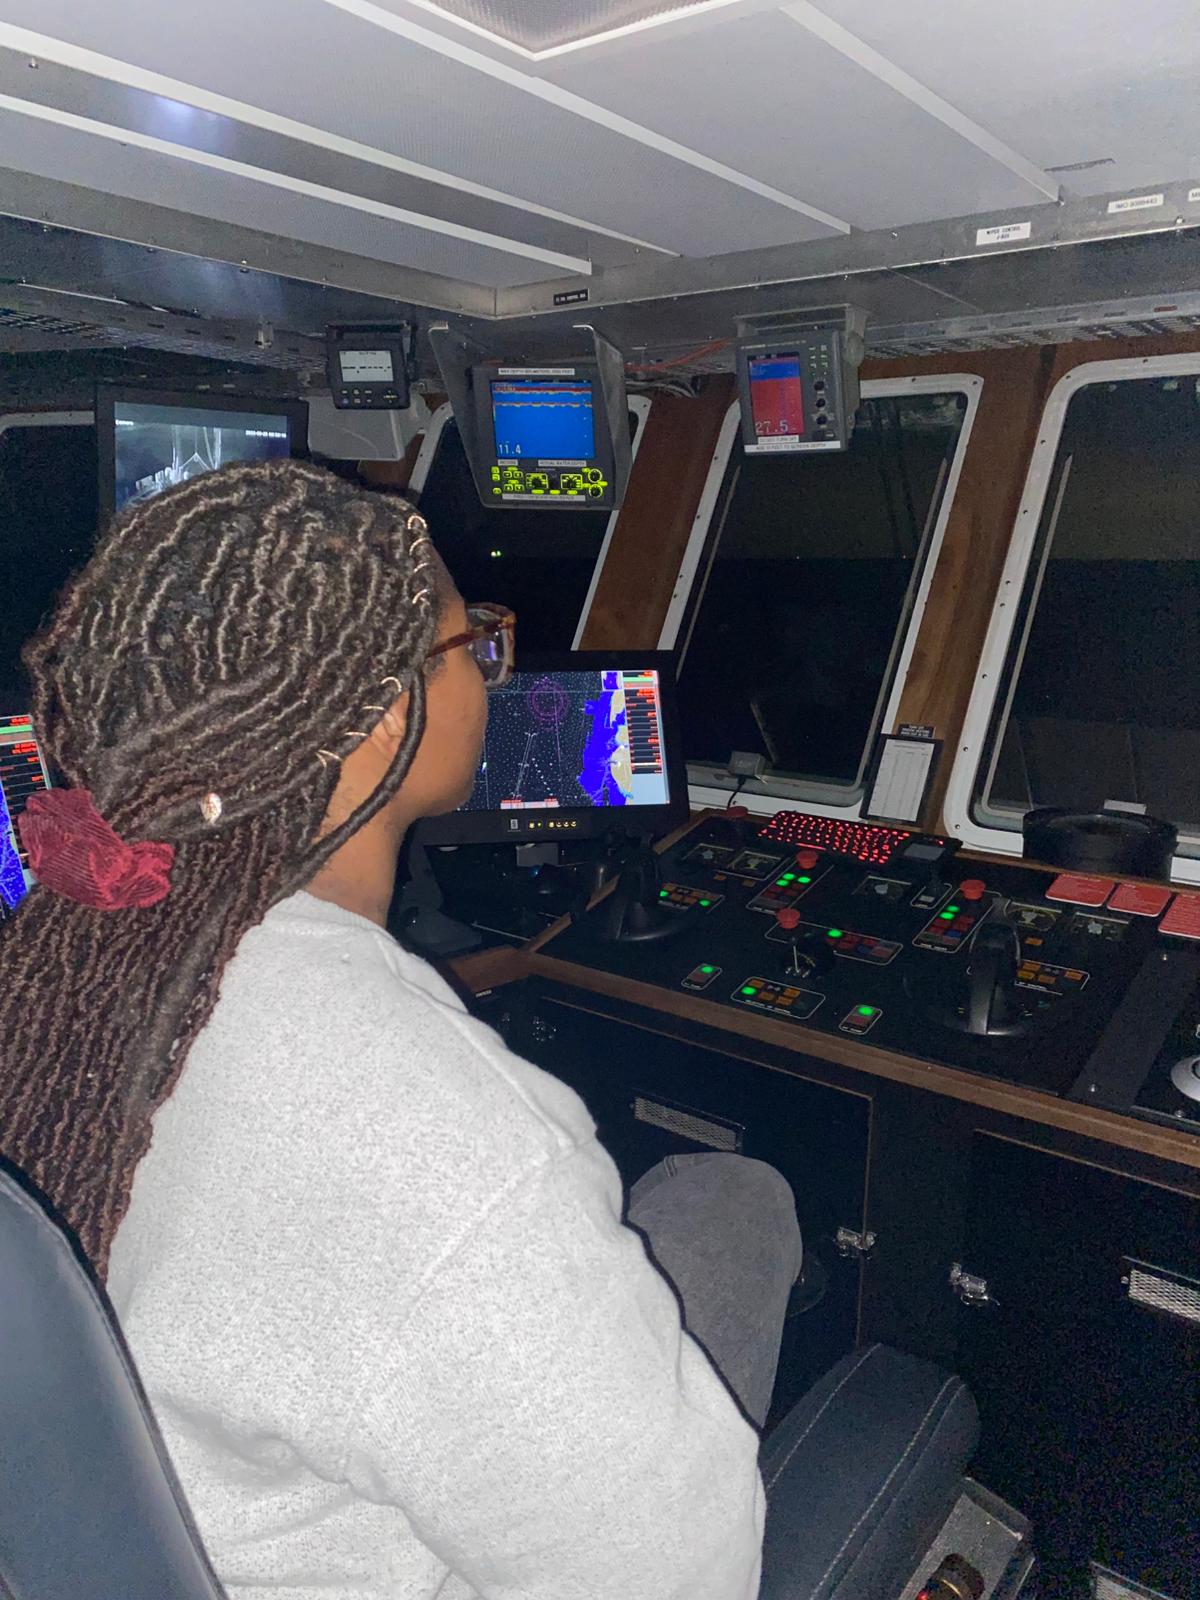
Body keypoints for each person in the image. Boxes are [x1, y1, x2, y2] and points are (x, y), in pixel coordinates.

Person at [0, 460, 801, 1600]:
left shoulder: (52, 961)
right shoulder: (435, 1128)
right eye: (469, 639)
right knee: (742, 1201)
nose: (486, 659)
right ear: (383, 721)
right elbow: (678, 1580)